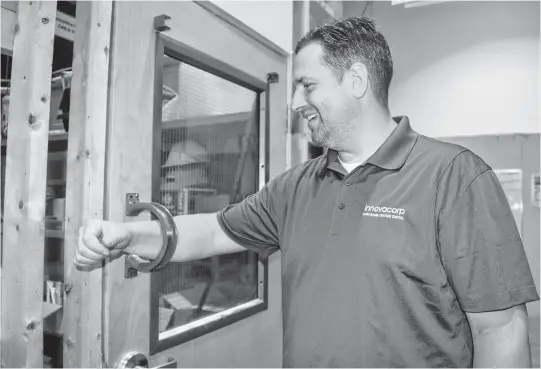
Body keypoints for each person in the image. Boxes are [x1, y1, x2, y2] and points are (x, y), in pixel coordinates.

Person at [75, 17, 539, 368]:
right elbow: (216, 231)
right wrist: (128, 235)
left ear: (356, 80)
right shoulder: (297, 186)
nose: (296, 103)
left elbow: (499, 328)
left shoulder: (454, 177)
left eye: (307, 85)